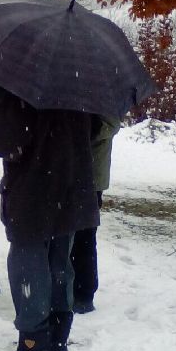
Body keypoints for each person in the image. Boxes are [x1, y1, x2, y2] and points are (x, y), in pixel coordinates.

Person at [0, 91, 100, 351]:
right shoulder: (80, 88)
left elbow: (4, 141)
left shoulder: (20, 89)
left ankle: (32, 347)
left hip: (34, 193)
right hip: (71, 189)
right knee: (60, 264)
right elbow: (95, 129)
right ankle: (57, 343)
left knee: (28, 267)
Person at [71, 116, 120, 314]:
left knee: (85, 236)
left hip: (91, 176)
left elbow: (110, 124)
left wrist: (79, 130)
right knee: (62, 236)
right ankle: (64, 288)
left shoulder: (104, 98)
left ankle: (84, 293)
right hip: (62, 171)